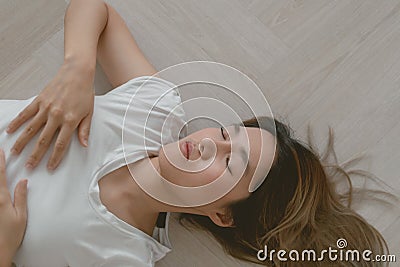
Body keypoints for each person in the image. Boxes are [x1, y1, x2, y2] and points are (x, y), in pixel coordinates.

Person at [0, 0, 390, 266]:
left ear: (222, 215)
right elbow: (95, 9)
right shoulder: (154, 110)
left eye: (230, 162)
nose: (209, 142)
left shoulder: (121, 257)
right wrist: (78, 70)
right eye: (224, 132)